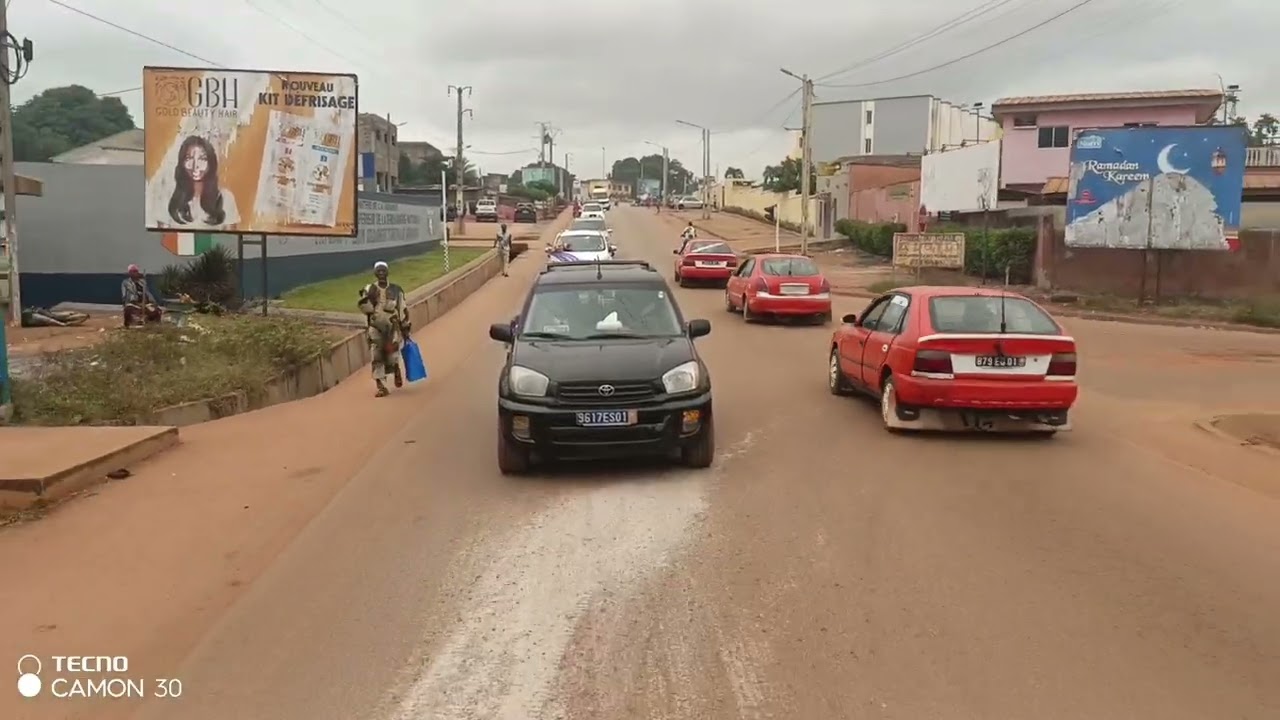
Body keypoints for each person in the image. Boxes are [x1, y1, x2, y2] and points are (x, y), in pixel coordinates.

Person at [357, 261, 410, 397]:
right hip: (375, 328)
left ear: (387, 272)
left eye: (383, 270)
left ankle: (396, 368)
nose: (381, 273)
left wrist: (405, 326)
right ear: (375, 273)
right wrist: (368, 299)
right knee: (377, 356)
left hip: (392, 328)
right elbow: (364, 308)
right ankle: (381, 386)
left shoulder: (396, 290)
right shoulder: (369, 289)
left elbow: (402, 308)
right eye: (378, 271)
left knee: (392, 355)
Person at [166, 135, 240, 229]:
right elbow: (162, 234)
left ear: (211, 163)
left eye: (202, 159)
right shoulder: (168, 197)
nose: (195, 165)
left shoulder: (225, 198)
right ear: (182, 162)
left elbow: (231, 234)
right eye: (189, 158)